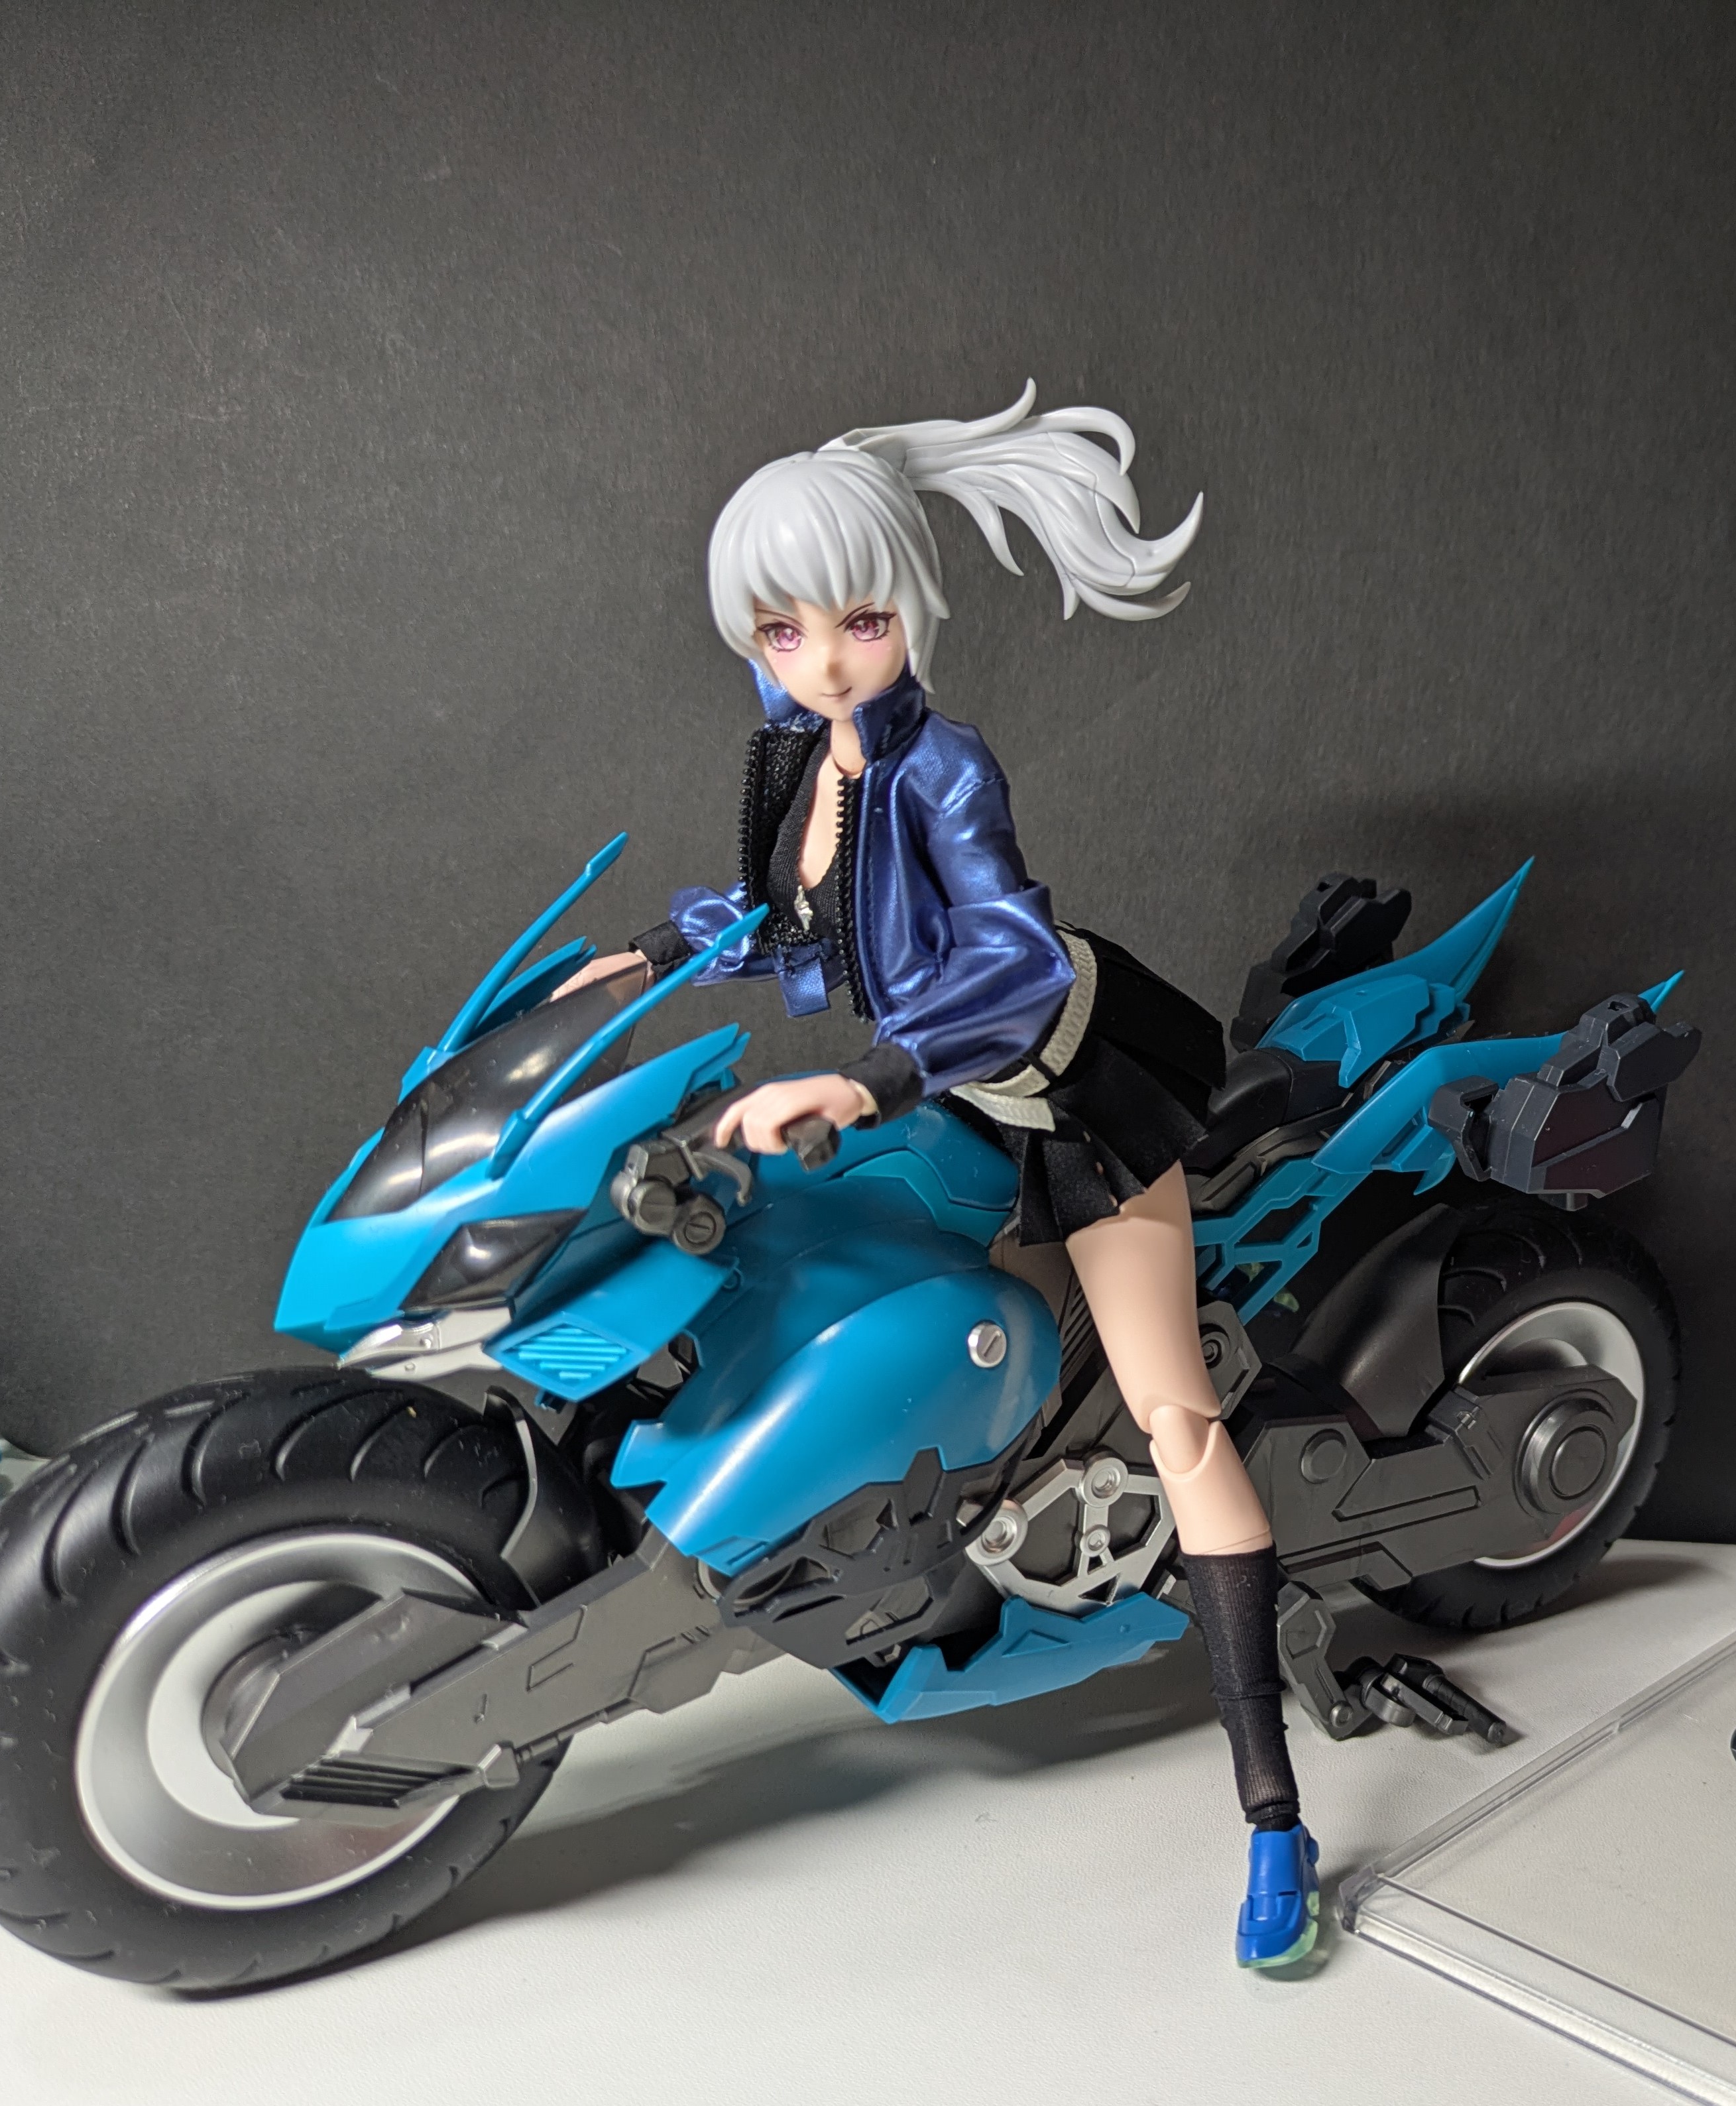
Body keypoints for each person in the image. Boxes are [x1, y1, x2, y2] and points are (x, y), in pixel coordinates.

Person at [561, 385, 1321, 1968]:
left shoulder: (947, 767)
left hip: (1071, 1086)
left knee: (1176, 1416)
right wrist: (639, 955)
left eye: (861, 620)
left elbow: (1012, 957)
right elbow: (779, 916)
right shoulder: (802, 757)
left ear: (910, 606)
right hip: (955, 1103)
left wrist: (865, 1075)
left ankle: (1273, 1813)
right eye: (785, 630)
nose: (827, 659)